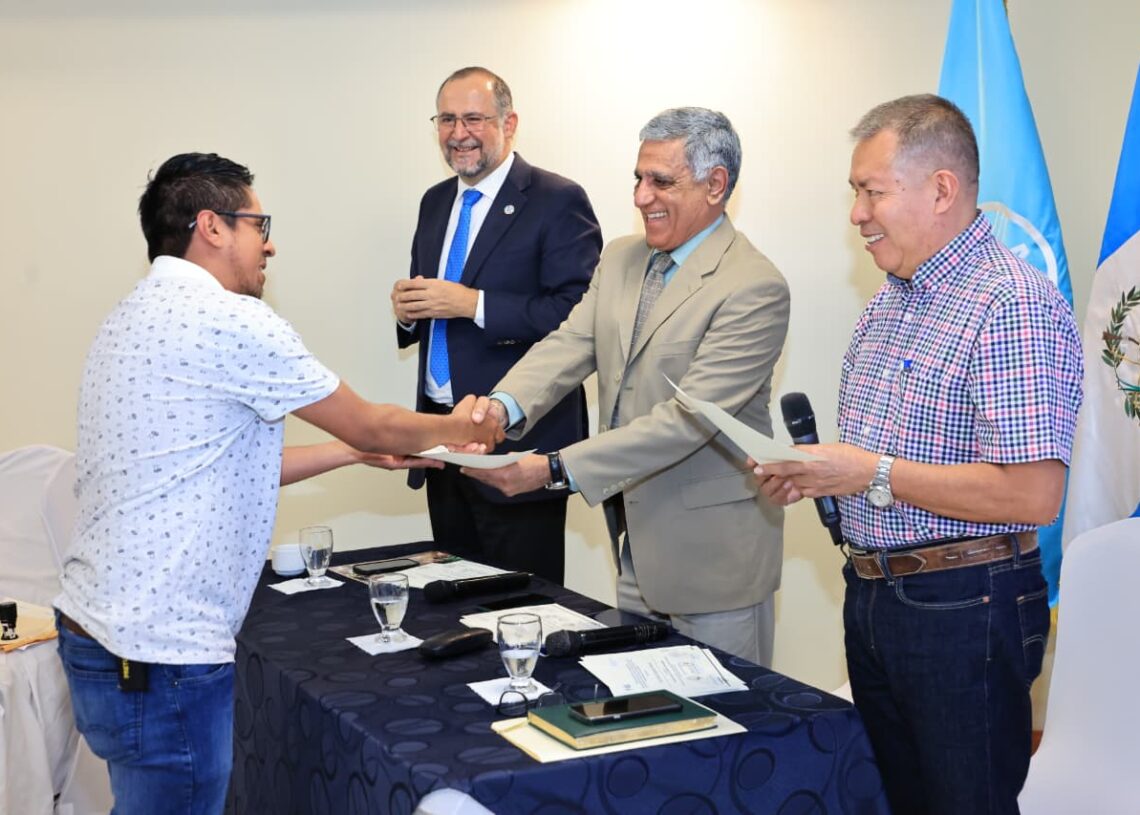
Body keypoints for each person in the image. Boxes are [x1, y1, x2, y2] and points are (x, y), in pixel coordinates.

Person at [54, 152, 499, 815]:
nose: (270, 244)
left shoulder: (128, 315)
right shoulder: (229, 318)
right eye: (258, 225)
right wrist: (461, 424)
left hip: (95, 630)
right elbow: (372, 421)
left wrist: (350, 454)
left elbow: (214, 461)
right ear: (212, 226)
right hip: (162, 650)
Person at [754, 95, 1083, 814]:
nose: (857, 214)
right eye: (855, 193)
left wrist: (866, 471)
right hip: (874, 594)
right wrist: (822, 477)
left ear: (941, 189)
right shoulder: (888, 303)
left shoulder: (1009, 304)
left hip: (965, 603)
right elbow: (890, 464)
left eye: (873, 192)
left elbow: (1033, 495)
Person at [465, 107, 790, 666]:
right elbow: (571, 344)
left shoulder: (754, 286)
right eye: (638, 179)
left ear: (716, 185)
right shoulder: (620, 257)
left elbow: (687, 421)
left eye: (661, 181)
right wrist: (499, 408)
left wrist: (554, 469)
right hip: (635, 549)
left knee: (727, 716)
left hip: (716, 565)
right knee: (647, 707)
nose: (641, 197)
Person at [390, 67, 601, 583]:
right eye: (446, 119)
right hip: (441, 442)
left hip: (517, 447)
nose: (458, 133)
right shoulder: (434, 201)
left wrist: (474, 304)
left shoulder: (557, 199)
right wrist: (407, 313)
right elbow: (435, 306)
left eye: (473, 119)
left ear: (509, 123)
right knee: (452, 605)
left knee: (522, 608)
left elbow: (579, 315)